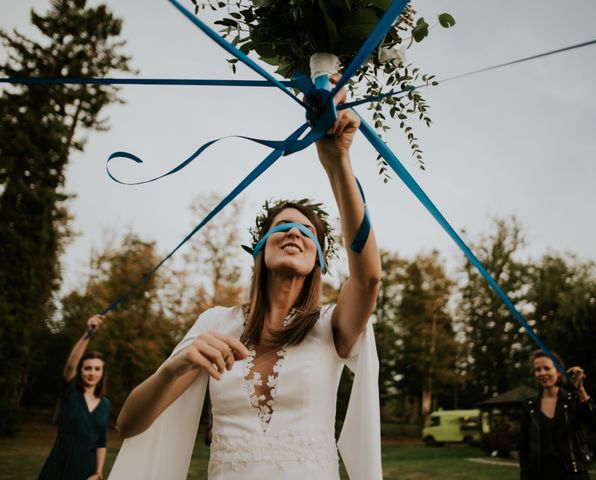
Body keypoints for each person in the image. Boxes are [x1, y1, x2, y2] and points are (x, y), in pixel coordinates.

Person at [109, 75, 383, 480]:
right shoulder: (215, 323)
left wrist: (337, 161)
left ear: (320, 260)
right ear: (259, 249)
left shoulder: (332, 326)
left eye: (308, 232)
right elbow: (128, 424)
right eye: (284, 227)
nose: (295, 233)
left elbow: (369, 278)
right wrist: (175, 366)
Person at [38, 315, 111, 480]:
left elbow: (101, 442)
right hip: (60, 462)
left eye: (97, 369)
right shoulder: (71, 392)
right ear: (80, 371)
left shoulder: (106, 404)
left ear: (102, 373)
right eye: (88, 368)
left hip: (87, 469)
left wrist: (98, 473)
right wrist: (88, 333)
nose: (92, 373)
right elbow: (71, 364)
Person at [519, 350, 596, 480]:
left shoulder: (573, 400)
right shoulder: (529, 406)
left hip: (573, 475)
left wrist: (580, 389)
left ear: (558, 372)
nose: (542, 373)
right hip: (541, 474)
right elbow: (524, 448)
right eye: (538, 369)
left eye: (547, 368)